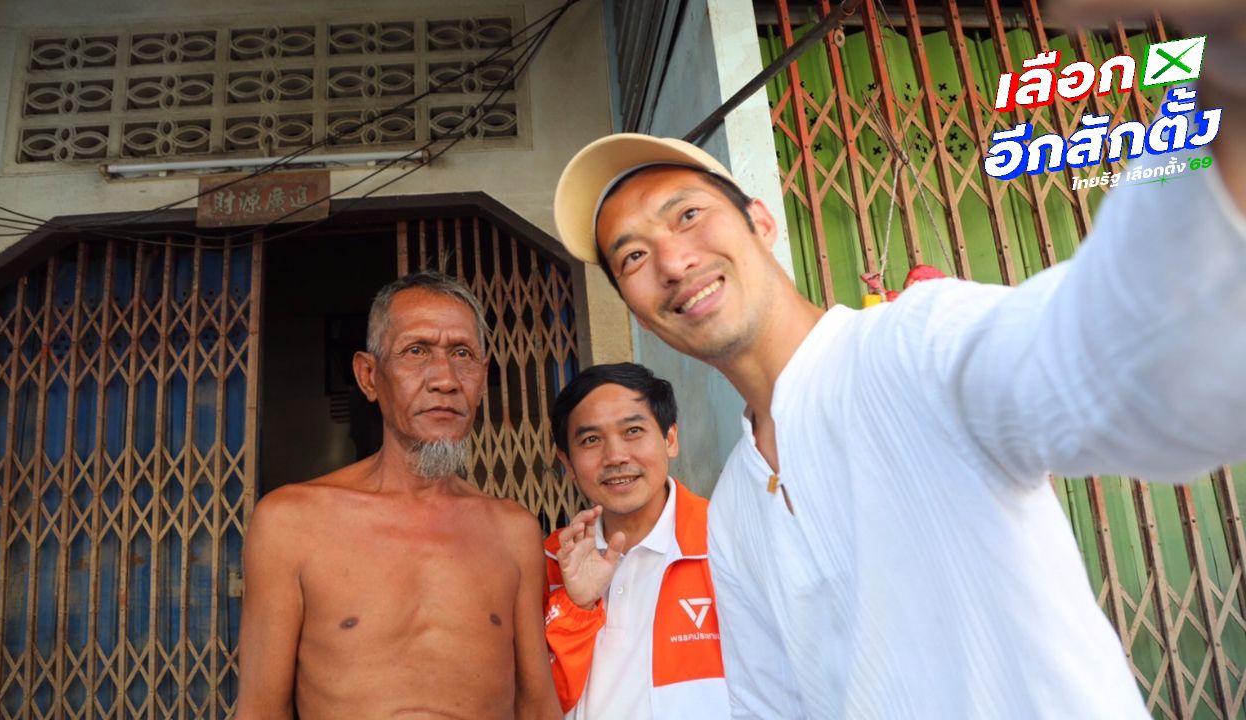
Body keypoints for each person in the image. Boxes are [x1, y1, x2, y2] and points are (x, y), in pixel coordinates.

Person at [550, 17, 1246, 718]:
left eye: (689, 214)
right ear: (637, 313)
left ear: (761, 222)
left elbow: (1145, 368)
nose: (672, 262)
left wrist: (1230, 66)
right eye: (633, 256)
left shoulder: (913, 346)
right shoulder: (733, 506)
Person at [235, 271, 560, 719]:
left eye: (462, 354)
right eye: (416, 351)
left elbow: (537, 705)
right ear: (369, 376)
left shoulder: (513, 531)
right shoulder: (291, 523)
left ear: (482, 380)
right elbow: (261, 711)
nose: (445, 379)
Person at [544, 363, 730, 719]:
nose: (615, 457)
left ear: (670, 439)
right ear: (567, 462)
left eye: (633, 431)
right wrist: (575, 607)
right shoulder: (548, 561)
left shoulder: (725, 543)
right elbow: (535, 703)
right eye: (591, 440)